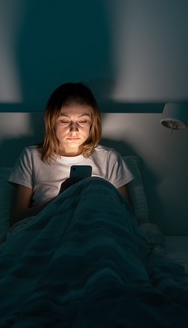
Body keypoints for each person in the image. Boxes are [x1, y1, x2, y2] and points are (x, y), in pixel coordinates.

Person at [8, 82, 135, 226]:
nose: (74, 130)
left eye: (82, 121)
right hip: (51, 229)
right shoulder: (31, 157)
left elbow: (127, 216)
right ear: (52, 122)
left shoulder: (109, 158)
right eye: (64, 121)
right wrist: (62, 199)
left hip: (96, 228)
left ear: (92, 123)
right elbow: (16, 220)